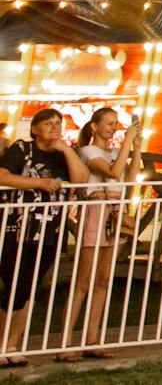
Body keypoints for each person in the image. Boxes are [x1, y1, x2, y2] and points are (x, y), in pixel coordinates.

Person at [0, 108, 91, 366]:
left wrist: (65, 148)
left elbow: (82, 179)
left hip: (50, 230)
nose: (54, 127)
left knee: (29, 288)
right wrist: (38, 183)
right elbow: (2, 176)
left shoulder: (63, 155)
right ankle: (2, 343)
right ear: (35, 129)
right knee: (13, 286)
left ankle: (12, 345)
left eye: (58, 123)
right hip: (18, 228)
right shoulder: (22, 149)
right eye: (48, 123)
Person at [59, 109, 139, 361]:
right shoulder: (88, 151)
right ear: (94, 126)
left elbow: (131, 177)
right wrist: (126, 143)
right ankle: (64, 343)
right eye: (108, 123)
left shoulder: (116, 153)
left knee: (103, 279)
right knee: (83, 279)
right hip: (96, 208)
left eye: (115, 124)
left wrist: (136, 148)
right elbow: (113, 173)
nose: (113, 128)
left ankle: (91, 339)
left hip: (115, 210)